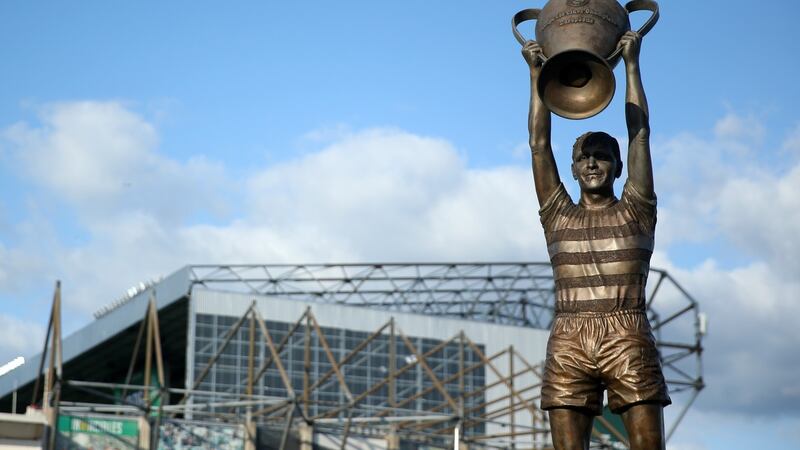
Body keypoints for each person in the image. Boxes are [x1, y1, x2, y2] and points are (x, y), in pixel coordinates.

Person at [522, 31, 671, 450]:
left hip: (627, 333)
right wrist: (537, 76)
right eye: (585, 157)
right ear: (573, 169)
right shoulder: (558, 214)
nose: (592, 162)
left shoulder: (636, 209)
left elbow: (640, 134)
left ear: (618, 165)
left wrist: (631, 65)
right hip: (570, 338)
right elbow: (538, 146)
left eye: (602, 155)